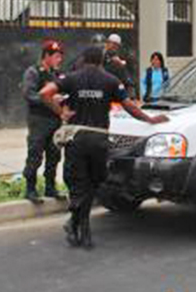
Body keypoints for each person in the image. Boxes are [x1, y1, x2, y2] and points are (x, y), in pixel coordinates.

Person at [40, 46, 168, 249]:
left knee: (79, 185)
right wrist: (150, 119)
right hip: (99, 141)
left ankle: (75, 225)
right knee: (93, 183)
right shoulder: (110, 80)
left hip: (77, 140)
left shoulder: (71, 78)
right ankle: (83, 231)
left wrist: (61, 113)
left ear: (83, 59)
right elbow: (130, 106)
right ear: (101, 61)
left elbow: (45, 93)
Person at [21, 40, 66, 204]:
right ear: (46, 56)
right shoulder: (33, 72)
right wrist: (47, 99)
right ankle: (30, 189)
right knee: (35, 154)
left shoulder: (57, 75)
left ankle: (50, 187)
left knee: (54, 155)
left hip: (54, 120)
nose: (59, 59)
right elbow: (28, 94)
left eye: (60, 56)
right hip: (39, 120)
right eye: (56, 56)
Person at [103, 34, 136, 99]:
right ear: (108, 43)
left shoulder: (122, 58)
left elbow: (127, 76)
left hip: (117, 91)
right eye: (113, 44)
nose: (115, 46)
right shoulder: (101, 55)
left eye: (117, 45)